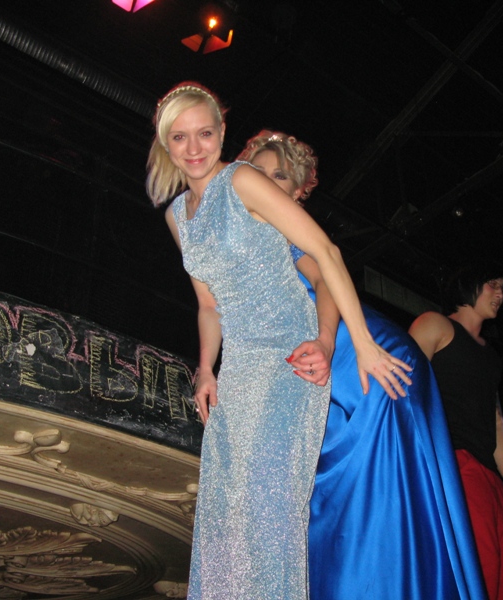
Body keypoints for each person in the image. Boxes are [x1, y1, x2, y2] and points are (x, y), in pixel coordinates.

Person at [146, 83, 412, 600]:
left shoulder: (243, 180)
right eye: (180, 137)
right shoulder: (177, 217)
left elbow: (326, 253)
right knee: (224, 511)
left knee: (266, 510)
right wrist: (206, 368)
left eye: (205, 133)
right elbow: (208, 304)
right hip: (239, 369)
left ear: (223, 133)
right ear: (165, 143)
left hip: (287, 359)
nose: (194, 148)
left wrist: (357, 343)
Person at [238, 130, 487, 600]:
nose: (267, 181)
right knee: (363, 483)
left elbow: (326, 279)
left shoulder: (288, 232)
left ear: (298, 193)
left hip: (359, 350)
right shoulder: (239, 237)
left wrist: (335, 342)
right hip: (345, 353)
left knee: (364, 481)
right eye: (259, 171)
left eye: (281, 176)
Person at [409, 264, 503, 600]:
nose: (500, 293)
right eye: (493, 284)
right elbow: (402, 392)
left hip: (489, 476)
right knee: (478, 570)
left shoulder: (491, 357)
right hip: (454, 463)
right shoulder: (435, 325)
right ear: (467, 284)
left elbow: (495, 419)